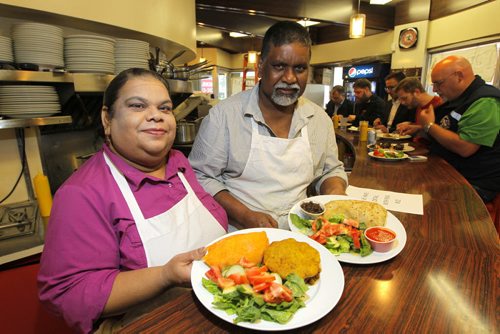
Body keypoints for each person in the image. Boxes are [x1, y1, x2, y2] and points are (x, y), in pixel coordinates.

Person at [38, 68, 228, 333]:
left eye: (165, 108)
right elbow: (69, 294)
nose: (156, 115)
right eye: (138, 106)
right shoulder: (82, 194)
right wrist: (165, 276)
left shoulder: (178, 162)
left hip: (214, 307)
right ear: (107, 119)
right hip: (147, 322)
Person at [189, 21, 348, 230]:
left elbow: (330, 170)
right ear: (261, 66)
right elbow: (201, 177)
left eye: (299, 68)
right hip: (239, 231)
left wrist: (335, 192)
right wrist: (244, 215)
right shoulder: (224, 117)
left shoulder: (319, 119)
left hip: (303, 229)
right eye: (279, 66)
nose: (290, 78)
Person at [419, 55, 500, 202]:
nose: (435, 89)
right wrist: (420, 129)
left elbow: (466, 147)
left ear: (459, 76)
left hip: (473, 184)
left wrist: (429, 126)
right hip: (448, 173)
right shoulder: (459, 99)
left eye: (439, 83)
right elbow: (447, 128)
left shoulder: (485, 101)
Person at [395, 77, 443, 142]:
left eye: (405, 98)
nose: (402, 103)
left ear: (417, 92)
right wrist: (411, 125)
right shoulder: (418, 105)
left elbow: (439, 134)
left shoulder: (439, 104)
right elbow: (422, 126)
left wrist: (417, 128)